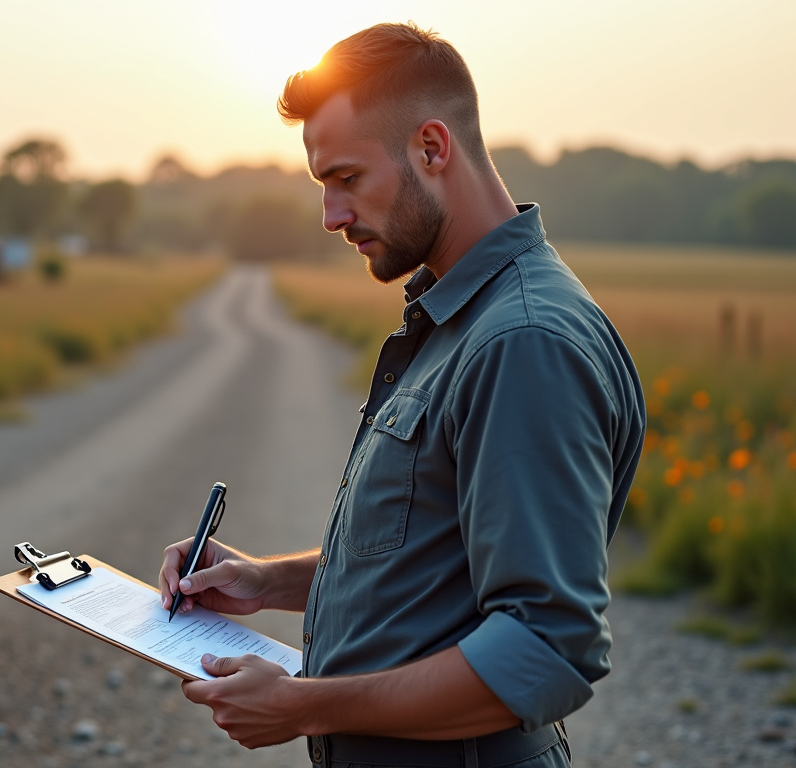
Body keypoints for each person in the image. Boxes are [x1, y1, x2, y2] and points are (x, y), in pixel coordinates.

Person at [158, 22, 645, 768]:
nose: (331, 217)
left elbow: (548, 650)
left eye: (347, 178)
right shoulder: (462, 317)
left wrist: (302, 704)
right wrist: (263, 580)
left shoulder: (522, 341)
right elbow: (435, 553)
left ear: (432, 147)